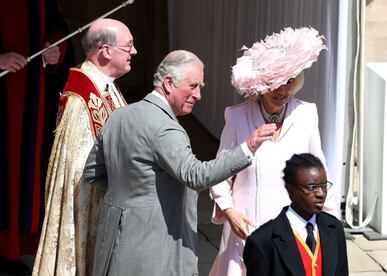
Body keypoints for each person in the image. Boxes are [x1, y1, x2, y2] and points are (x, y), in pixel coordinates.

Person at [82, 49, 277, 276]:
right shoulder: (166, 128)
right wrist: (248, 146)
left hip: (114, 242)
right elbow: (196, 175)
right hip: (154, 247)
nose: (198, 95)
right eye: (193, 86)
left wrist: (132, 195)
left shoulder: (119, 116)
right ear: (168, 83)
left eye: (200, 87)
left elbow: (93, 172)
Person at [209, 27, 339, 276]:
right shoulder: (237, 117)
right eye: (275, 83)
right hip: (247, 229)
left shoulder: (306, 113)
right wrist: (230, 212)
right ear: (259, 85)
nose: (283, 90)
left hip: (294, 229)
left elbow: (320, 174)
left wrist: (331, 223)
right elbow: (219, 173)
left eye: (289, 82)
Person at [32, 18, 137, 276]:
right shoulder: (82, 99)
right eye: (129, 46)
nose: (134, 52)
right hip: (91, 215)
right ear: (106, 51)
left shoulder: (105, 87)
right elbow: (79, 174)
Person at [0, 0, 72, 273]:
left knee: (22, 178)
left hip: (31, 102)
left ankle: (12, 251)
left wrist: (55, 50)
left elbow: (57, 29)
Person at [243, 153, 348, 276]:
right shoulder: (263, 241)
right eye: (312, 187)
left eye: (323, 186)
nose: (321, 193)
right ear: (290, 189)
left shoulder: (334, 228)